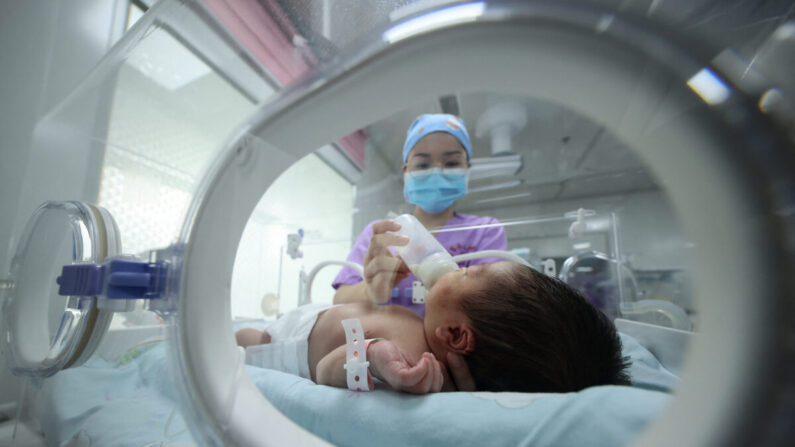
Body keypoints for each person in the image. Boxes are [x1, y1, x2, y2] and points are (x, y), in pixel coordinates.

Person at [237, 261, 631, 394]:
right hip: (307, 316)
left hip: (286, 346)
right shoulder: (424, 333)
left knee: (241, 339)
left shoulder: (410, 362)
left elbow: (325, 372)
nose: (456, 267)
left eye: (470, 271)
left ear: (457, 335)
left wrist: (372, 359)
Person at [332, 114, 507, 316]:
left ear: (467, 168)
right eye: (423, 165)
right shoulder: (382, 233)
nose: (436, 172)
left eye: (451, 164)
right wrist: (370, 290)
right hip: (386, 344)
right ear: (406, 171)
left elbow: (494, 306)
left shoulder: (484, 231)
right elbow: (339, 299)